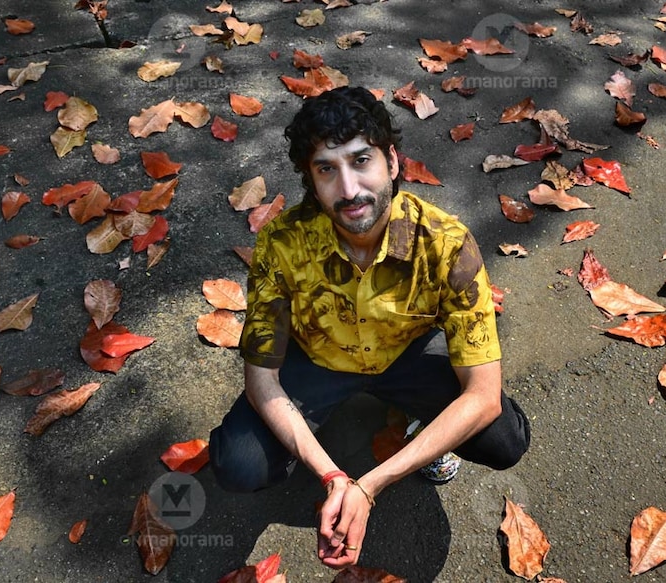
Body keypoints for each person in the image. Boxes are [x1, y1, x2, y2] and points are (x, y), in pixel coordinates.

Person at [209, 86, 530, 569]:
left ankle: (420, 427)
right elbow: (261, 378)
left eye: (362, 161)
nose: (350, 190)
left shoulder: (446, 243)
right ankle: (317, 439)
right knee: (238, 464)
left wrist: (371, 483)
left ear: (393, 163)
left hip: (408, 355)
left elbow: (482, 395)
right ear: (310, 181)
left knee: (503, 439)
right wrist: (332, 477)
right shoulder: (282, 241)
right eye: (326, 170)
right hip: (318, 358)